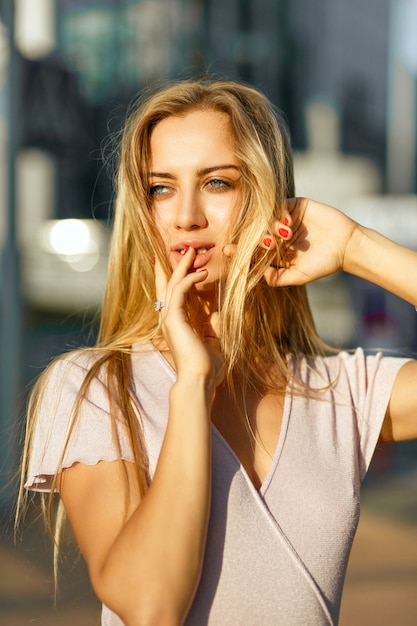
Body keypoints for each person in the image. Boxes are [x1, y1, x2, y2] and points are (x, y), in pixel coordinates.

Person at [18, 77, 417, 626]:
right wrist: (192, 384)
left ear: (266, 199)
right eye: (161, 188)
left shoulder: (341, 392)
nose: (186, 216)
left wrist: (356, 246)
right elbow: (151, 606)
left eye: (217, 183)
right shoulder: (92, 386)